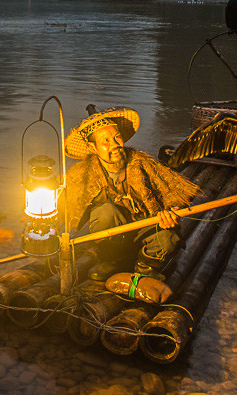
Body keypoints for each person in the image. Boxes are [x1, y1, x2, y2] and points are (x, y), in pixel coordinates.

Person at [64, 106, 201, 282]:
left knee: (169, 238)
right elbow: (63, 206)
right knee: (104, 213)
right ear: (93, 147)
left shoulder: (142, 163)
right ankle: (112, 262)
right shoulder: (81, 174)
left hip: (144, 229)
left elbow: (176, 193)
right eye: (105, 141)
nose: (114, 144)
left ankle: (145, 266)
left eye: (117, 137)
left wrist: (171, 211)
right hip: (112, 239)